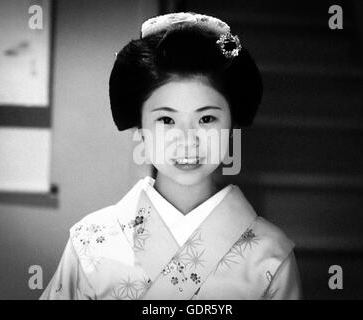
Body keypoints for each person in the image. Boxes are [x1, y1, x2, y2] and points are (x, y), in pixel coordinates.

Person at [40, 12, 302, 300]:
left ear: (232, 126)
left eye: (206, 120)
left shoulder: (271, 256)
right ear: (140, 129)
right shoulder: (90, 242)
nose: (187, 140)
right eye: (166, 120)